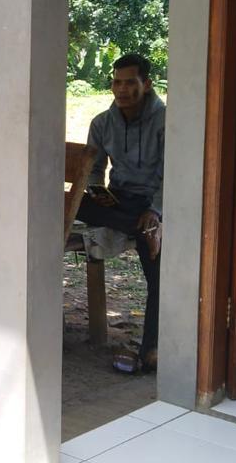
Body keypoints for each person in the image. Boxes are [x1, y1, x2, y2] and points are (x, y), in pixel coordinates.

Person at [76, 52, 165, 374]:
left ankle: (151, 349)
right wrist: (97, 192)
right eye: (117, 82)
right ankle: (143, 228)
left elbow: (173, 173)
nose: (122, 89)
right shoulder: (102, 122)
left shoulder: (166, 121)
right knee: (63, 202)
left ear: (147, 83)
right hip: (118, 202)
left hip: (152, 202)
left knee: (158, 271)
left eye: (130, 82)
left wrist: (155, 211)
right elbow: (93, 169)